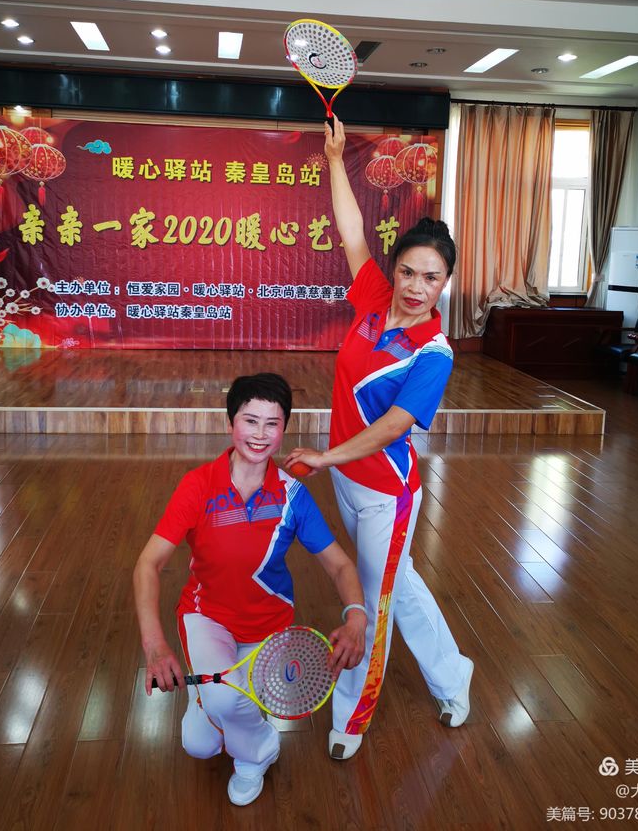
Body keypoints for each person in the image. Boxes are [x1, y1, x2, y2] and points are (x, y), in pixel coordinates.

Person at [285, 118, 474, 761]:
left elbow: (394, 427)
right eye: (410, 272)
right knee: (399, 583)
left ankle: (351, 718)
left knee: (373, 600)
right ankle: (454, 674)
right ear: (396, 270)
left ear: (445, 284)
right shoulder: (372, 298)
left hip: (386, 495)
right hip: (346, 475)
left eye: (432, 279)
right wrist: (335, 158)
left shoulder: (434, 352)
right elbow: (351, 234)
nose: (417, 287)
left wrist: (324, 455)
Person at [133, 372, 367, 806]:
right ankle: (261, 746)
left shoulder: (293, 496)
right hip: (207, 617)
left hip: (269, 627)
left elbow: (339, 565)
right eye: (250, 420)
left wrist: (356, 617)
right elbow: (149, 564)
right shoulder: (198, 486)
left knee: (213, 722)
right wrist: (155, 646)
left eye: (272, 423)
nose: (260, 434)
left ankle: (238, 741)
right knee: (200, 743)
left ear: (284, 429)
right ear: (230, 424)